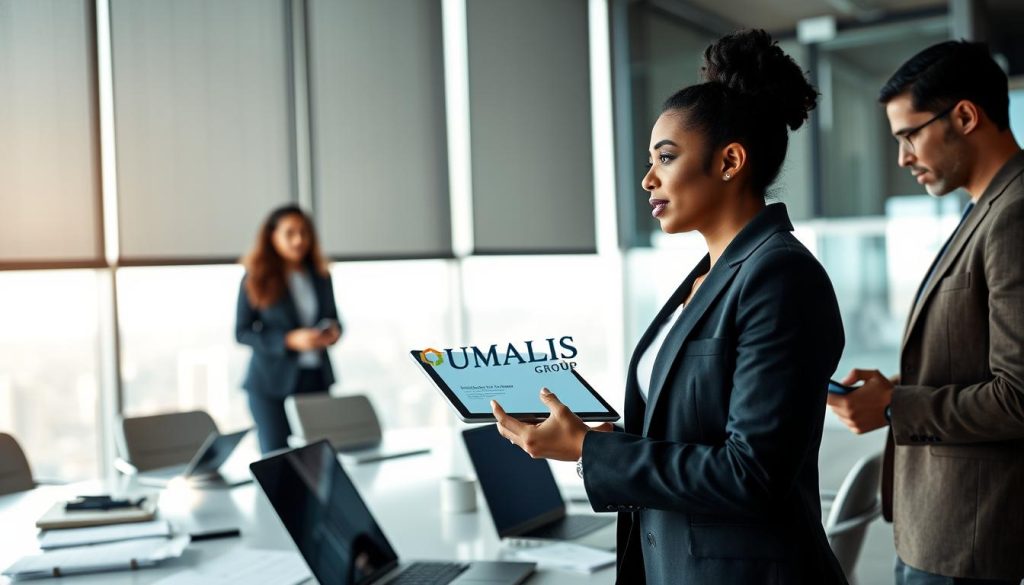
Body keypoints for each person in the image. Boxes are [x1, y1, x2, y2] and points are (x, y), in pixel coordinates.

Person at [492, 29, 848, 584]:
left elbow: (751, 474)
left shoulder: (781, 277)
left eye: (665, 157)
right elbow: (692, 430)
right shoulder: (709, 276)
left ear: (730, 161)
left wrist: (589, 451)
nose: (647, 179)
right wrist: (601, 439)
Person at [827, 40, 1024, 584]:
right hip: (941, 531)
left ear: (964, 116)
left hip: (968, 541)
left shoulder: (1014, 214)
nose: (903, 157)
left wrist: (896, 406)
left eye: (909, 135)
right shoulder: (987, 208)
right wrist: (895, 388)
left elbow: (1018, 397)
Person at [236, 205, 342, 454]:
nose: (299, 240)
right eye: (290, 233)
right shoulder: (256, 277)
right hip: (270, 383)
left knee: (319, 457)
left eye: (304, 232)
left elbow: (334, 319)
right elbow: (242, 332)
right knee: (277, 458)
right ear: (272, 236)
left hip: (315, 379)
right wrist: (288, 340)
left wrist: (332, 332)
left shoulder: (320, 275)